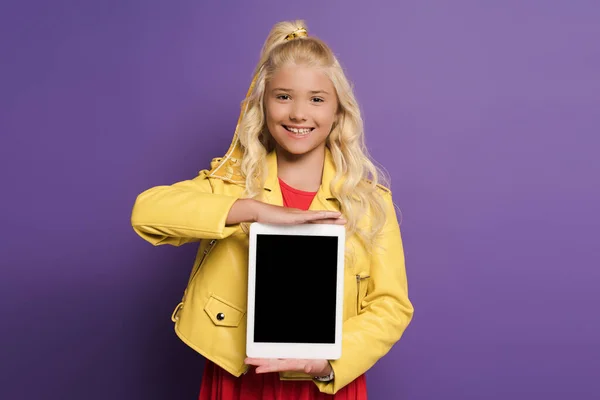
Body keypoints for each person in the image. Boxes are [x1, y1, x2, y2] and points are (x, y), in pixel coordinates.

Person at [131, 20, 414, 400]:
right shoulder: (232, 182)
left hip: (326, 378)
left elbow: (391, 305)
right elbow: (147, 212)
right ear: (262, 104)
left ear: (337, 110)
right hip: (240, 375)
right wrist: (251, 210)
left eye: (316, 99)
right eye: (283, 96)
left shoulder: (369, 201)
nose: (299, 113)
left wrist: (329, 361)